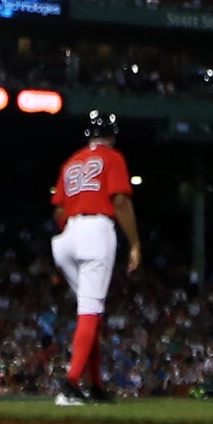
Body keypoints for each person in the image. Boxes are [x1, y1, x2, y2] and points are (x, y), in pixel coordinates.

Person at [50, 109, 141, 406]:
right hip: (96, 230)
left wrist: (74, 232)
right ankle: (70, 384)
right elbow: (120, 201)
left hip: (66, 239)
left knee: (91, 313)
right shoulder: (113, 158)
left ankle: (97, 386)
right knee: (90, 311)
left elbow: (59, 210)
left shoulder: (71, 161)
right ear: (112, 135)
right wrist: (135, 243)